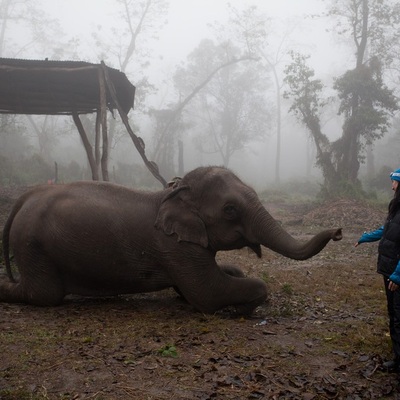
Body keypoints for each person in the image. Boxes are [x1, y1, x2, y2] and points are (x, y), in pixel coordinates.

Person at [355, 168, 400, 372]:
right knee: (393, 313)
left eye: (394, 182)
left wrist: (398, 274)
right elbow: (386, 230)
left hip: (396, 274)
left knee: (398, 315)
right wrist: (366, 237)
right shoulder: (396, 207)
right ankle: (397, 357)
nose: (392, 185)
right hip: (389, 269)